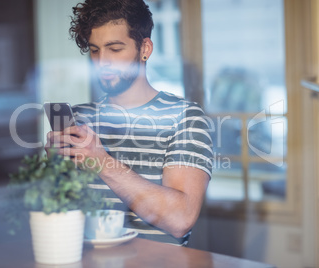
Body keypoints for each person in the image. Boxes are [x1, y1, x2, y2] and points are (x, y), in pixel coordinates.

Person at [46, 0, 213, 246]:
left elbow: (180, 219)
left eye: (115, 49)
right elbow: (57, 214)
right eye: (95, 50)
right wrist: (51, 170)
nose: (102, 62)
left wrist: (100, 161)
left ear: (145, 48)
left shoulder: (185, 118)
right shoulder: (80, 119)